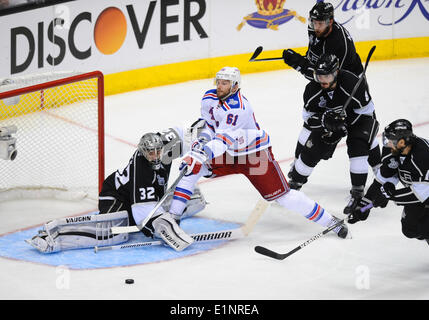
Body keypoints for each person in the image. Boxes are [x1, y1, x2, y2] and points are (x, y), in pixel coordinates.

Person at [164, 66, 349, 243]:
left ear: (235, 86)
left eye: (225, 83)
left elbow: (222, 141)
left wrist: (198, 153)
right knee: (191, 170)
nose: (219, 86)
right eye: (218, 82)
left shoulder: (239, 108)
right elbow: (209, 125)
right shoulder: (209, 97)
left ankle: (330, 221)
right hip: (229, 153)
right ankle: (173, 220)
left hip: (254, 156)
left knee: (282, 196)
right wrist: (199, 146)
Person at [26, 127, 207, 253]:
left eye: (158, 151)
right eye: (150, 153)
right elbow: (143, 213)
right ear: (143, 152)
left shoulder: (165, 151)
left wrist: (204, 140)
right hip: (114, 196)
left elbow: (184, 134)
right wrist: (155, 229)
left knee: (191, 198)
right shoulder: (142, 168)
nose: (155, 156)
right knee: (114, 232)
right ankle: (54, 235)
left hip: (134, 196)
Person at [283, 1, 381, 196]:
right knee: (314, 127)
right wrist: (300, 60)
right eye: (314, 22)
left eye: (320, 23)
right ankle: (298, 165)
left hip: (348, 87)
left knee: (363, 129)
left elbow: (329, 76)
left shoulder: (339, 43)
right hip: (330, 82)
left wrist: (300, 66)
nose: (316, 26)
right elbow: (319, 68)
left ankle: (380, 170)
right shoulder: (315, 29)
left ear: (331, 21)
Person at [287, 53, 380, 215]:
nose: (323, 80)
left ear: (336, 73)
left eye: (327, 76)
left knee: (358, 146)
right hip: (329, 123)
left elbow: (367, 112)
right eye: (319, 76)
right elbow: (308, 119)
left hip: (357, 119)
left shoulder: (353, 83)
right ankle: (294, 185)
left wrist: (344, 124)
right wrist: (325, 121)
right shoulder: (312, 90)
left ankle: (358, 193)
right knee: (311, 151)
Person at [348, 119, 429, 245]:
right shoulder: (393, 150)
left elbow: (421, 194)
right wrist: (365, 203)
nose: (388, 143)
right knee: (410, 228)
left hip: (424, 193)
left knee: (424, 226)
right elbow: (384, 177)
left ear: (402, 142)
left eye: (391, 140)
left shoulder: (422, 156)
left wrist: (391, 196)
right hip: (419, 191)